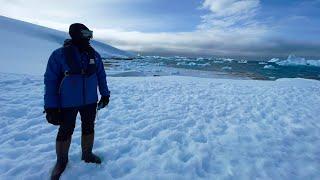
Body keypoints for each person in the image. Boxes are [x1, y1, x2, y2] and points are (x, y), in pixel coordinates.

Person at [43, 23, 110, 180]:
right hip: (67, 102)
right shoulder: (58, 55)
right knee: (65, 130)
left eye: (90, 33)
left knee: (89, 126)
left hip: (90, 101)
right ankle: (61, 162)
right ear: (76, 34)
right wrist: (51, 106)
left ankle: (87, 154)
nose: (89, 37)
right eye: (86, 33)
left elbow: (101, 76)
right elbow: (51, 81)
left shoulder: (94, 55)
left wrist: (105, 94)